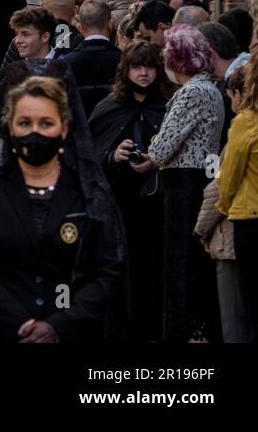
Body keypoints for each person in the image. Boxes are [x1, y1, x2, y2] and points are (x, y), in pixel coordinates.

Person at [0, 68, 125, 342]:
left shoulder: (88, 193)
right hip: (0, 331)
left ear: (64, 128)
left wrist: (60, 324)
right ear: (11, 127)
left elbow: (108, 269)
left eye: (46, 124)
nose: (35, 133)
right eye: (25, 123)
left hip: (73, 331)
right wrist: (19, 322)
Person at [132, 25, 224, 342]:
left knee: (179, 263)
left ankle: (181, 330)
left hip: (183, 183)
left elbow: (162, 145)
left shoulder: (192, 93)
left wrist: (149, 154)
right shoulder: (209, 89)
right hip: (198, 177)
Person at [88, 40, 169, 343]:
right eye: (137, 67)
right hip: (120, 203)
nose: (144, 74)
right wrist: (113, 156)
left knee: (154, 268)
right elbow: (89, 155)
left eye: (149, 67)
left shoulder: (167, 106)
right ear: (126, 71)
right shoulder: (109, 108)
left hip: (158, 204)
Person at [214, 59, 258, 342]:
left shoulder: (246, 123)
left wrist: (222, 208)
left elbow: (228, 179)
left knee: (256, 303)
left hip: (252, 220)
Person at [64, 0, 121, 117]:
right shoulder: (124, 59)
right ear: (110, 24)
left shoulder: (67, 62)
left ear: (80, 28)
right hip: (113, 128)